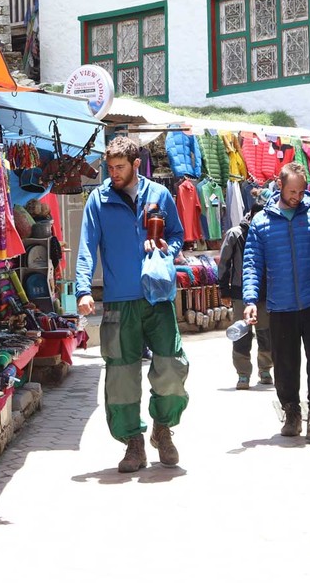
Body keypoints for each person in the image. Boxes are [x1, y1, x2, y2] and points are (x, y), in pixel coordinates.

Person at [77, 136, 189, 473]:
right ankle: (133, 443)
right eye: (110, 167)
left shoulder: (160, 194)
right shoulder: (99, 200)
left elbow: (177, 235)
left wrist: (166, 249)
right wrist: (83, 290)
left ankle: (162, 429)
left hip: (158, 296)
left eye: (120, 167)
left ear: (136, 164)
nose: (113, 173)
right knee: (121, 375)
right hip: (119, 302)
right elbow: (86, 247)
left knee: (171, 367)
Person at [242, 162, 310, 440]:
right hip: (281, 305)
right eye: (291, 192)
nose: (297, 197)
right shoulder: (261, 222)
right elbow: (252, 264)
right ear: (280, 186)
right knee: (285, 363)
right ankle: (292, 411)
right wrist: (250, 299)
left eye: (301, 191)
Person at [219, 195, 272, 390]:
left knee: (266, 334)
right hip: (240, 293)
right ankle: (243, 374)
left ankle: (265, 369)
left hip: (266, 294)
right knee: (241, 334)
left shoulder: (270, 232)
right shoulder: (235, 234)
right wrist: (224, 290)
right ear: (252, 215)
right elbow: (224, 263)